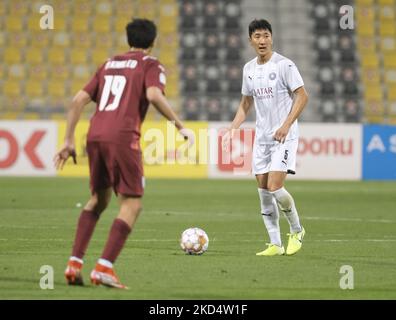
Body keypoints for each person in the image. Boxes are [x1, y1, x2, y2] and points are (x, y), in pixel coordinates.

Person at [54, 18, 193, 288]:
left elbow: (77, 100)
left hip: (94, 135)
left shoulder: (108, 64)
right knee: (132, 205)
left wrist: (68, 139)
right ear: (153, 42)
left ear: (128, 39)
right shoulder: (150, 64)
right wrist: (179, 125)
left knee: (98, 199)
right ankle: (104, 268)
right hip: (122, 137)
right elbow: (153, 95)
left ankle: (74, 263)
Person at [223, 19, 309, 256]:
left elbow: (302, 96)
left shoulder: (285, 65)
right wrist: (232, 128)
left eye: (266, 35)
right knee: (263, 191)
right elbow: (245, 103)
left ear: (272, 37)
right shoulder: (249, 69)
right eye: (257, 36)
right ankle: (275, 244)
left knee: (275, 187)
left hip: (284, 136)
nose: (262, 40)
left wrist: (286, 125)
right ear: (250, 40)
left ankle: (297, 230)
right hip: (262, 139)